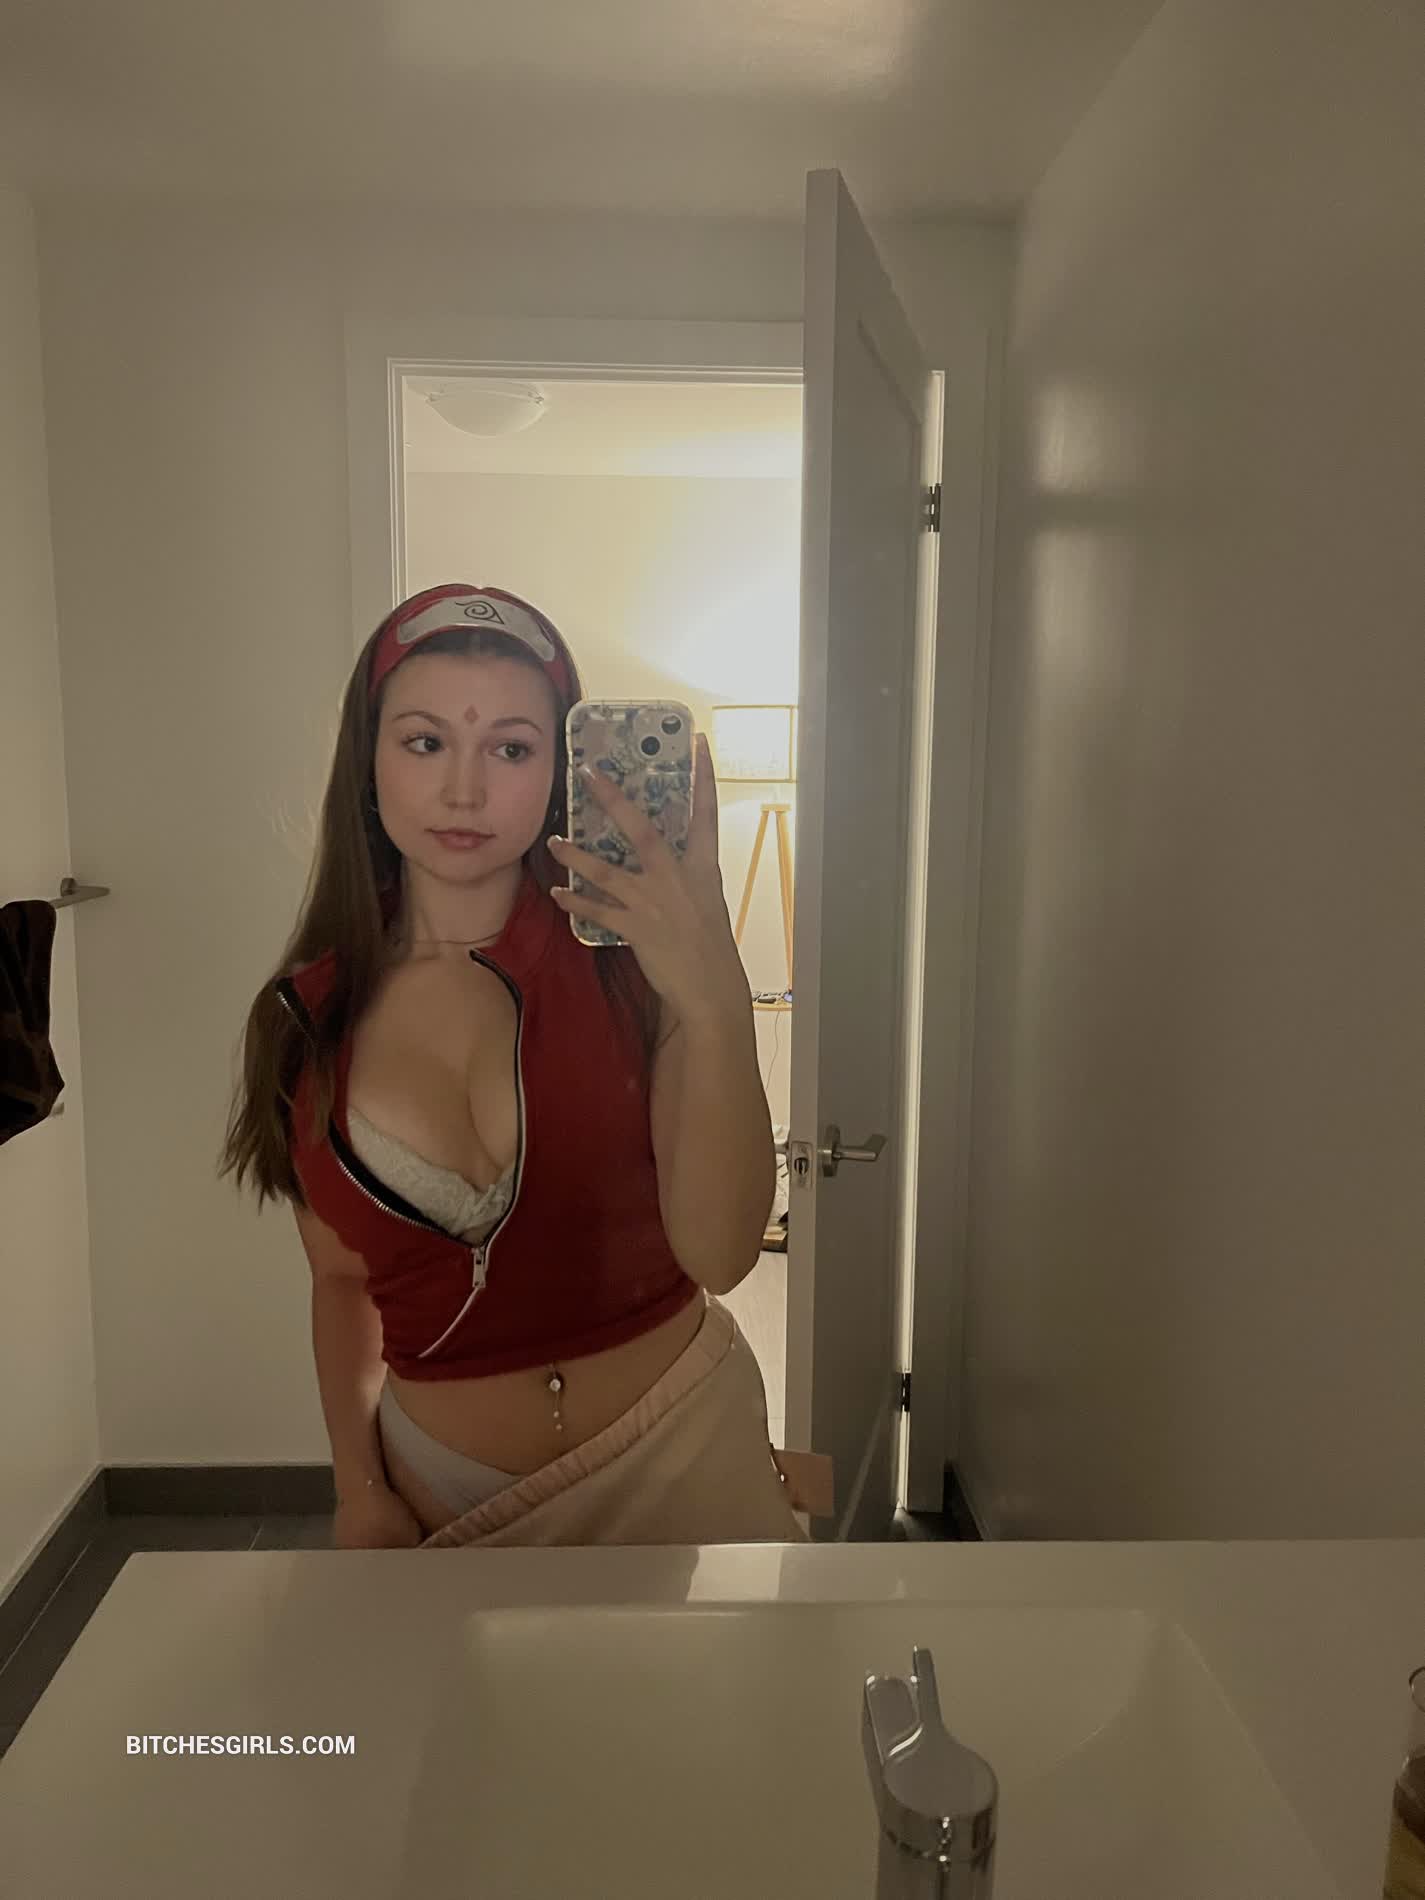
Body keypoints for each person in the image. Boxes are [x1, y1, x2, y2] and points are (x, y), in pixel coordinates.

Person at [219, 581, 807, 1549]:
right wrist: (358, 1488)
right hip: (448, 1493)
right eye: (424, 742)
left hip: (686, 1451)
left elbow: (724, 1253)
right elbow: (339, 1283)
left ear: (558, 772)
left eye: (511, 748)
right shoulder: (305, 1020)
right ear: (367, 763)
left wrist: (714, 999)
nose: (464, 790)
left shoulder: (637, 972)